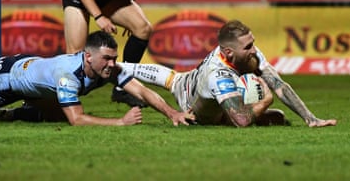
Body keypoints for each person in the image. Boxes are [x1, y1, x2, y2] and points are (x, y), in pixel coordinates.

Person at [0, 31, 193, 126]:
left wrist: (172, 112)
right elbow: (78, 120)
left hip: (30, 74)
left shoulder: (108, 68)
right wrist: (120, 123)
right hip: (3, 77)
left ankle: (5, 116)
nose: (112, 64)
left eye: (114, 58)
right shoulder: (67, 75)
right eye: (107, 59)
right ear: (88, 57)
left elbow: (143, 92)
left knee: (49, 115)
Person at [118, 20, 337, 127]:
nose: (254, 49)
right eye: (248, 46)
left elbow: (278, 84)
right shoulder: (218, 74)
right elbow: (241, 120)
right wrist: (264, 102)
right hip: (187, 98)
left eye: (253, 43)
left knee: (171, 77)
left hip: (184, 78)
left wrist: (310, 118)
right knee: (116, 67)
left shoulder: (246, 52)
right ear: (228, 52)